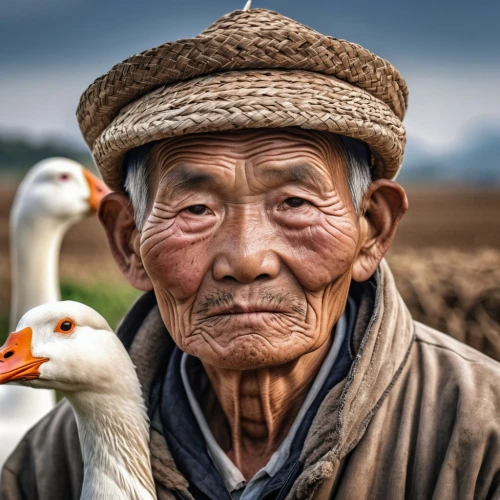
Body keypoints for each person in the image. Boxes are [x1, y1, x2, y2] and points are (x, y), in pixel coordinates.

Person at [2, 7, 500, 500]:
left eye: (295, 202)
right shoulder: (45, 470)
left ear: (371, 228)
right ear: (129, 239)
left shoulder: (481, 440)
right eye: (197, 208)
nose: (245, 259)